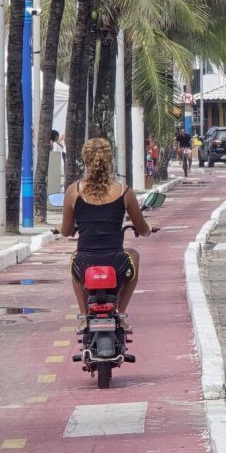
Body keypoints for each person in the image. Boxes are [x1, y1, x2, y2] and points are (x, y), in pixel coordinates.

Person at [59, 138, 151, 331]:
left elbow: (66, 231)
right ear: (109, 161)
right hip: (116, 262)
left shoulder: (73, 191)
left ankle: (84, 316)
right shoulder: (124, 191)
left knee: (74, 260)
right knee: (134, 256)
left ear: (85, 160)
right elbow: (142, 229)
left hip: (86, 262)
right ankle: (121, 313)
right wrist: (147, 229)